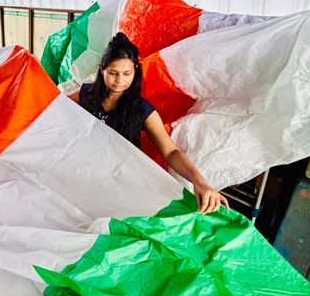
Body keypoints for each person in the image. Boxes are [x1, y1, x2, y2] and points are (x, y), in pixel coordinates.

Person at [68, 32, 228, 214]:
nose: (120, 80)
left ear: (135, 71)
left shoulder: (143, 110)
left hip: (120, 181)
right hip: (83, 173)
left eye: (127, 73)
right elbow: (51, 111)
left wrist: (201, 182)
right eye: (113, 73)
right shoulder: (84, 95)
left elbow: (171, 151)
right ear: (101, 69)